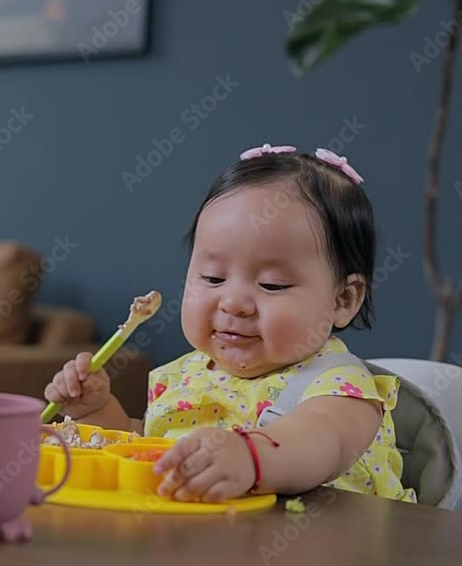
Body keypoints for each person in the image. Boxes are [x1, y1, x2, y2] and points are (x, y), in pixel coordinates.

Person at [45, 144, 416, 504]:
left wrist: (251, 458)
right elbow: (156, 454)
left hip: (327, 557)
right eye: (212, 278)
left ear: (343, 300)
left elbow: (323, 442)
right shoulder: (182, 377)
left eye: (272, 284)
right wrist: (99, 414)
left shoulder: (339, 386)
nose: (234, 303)